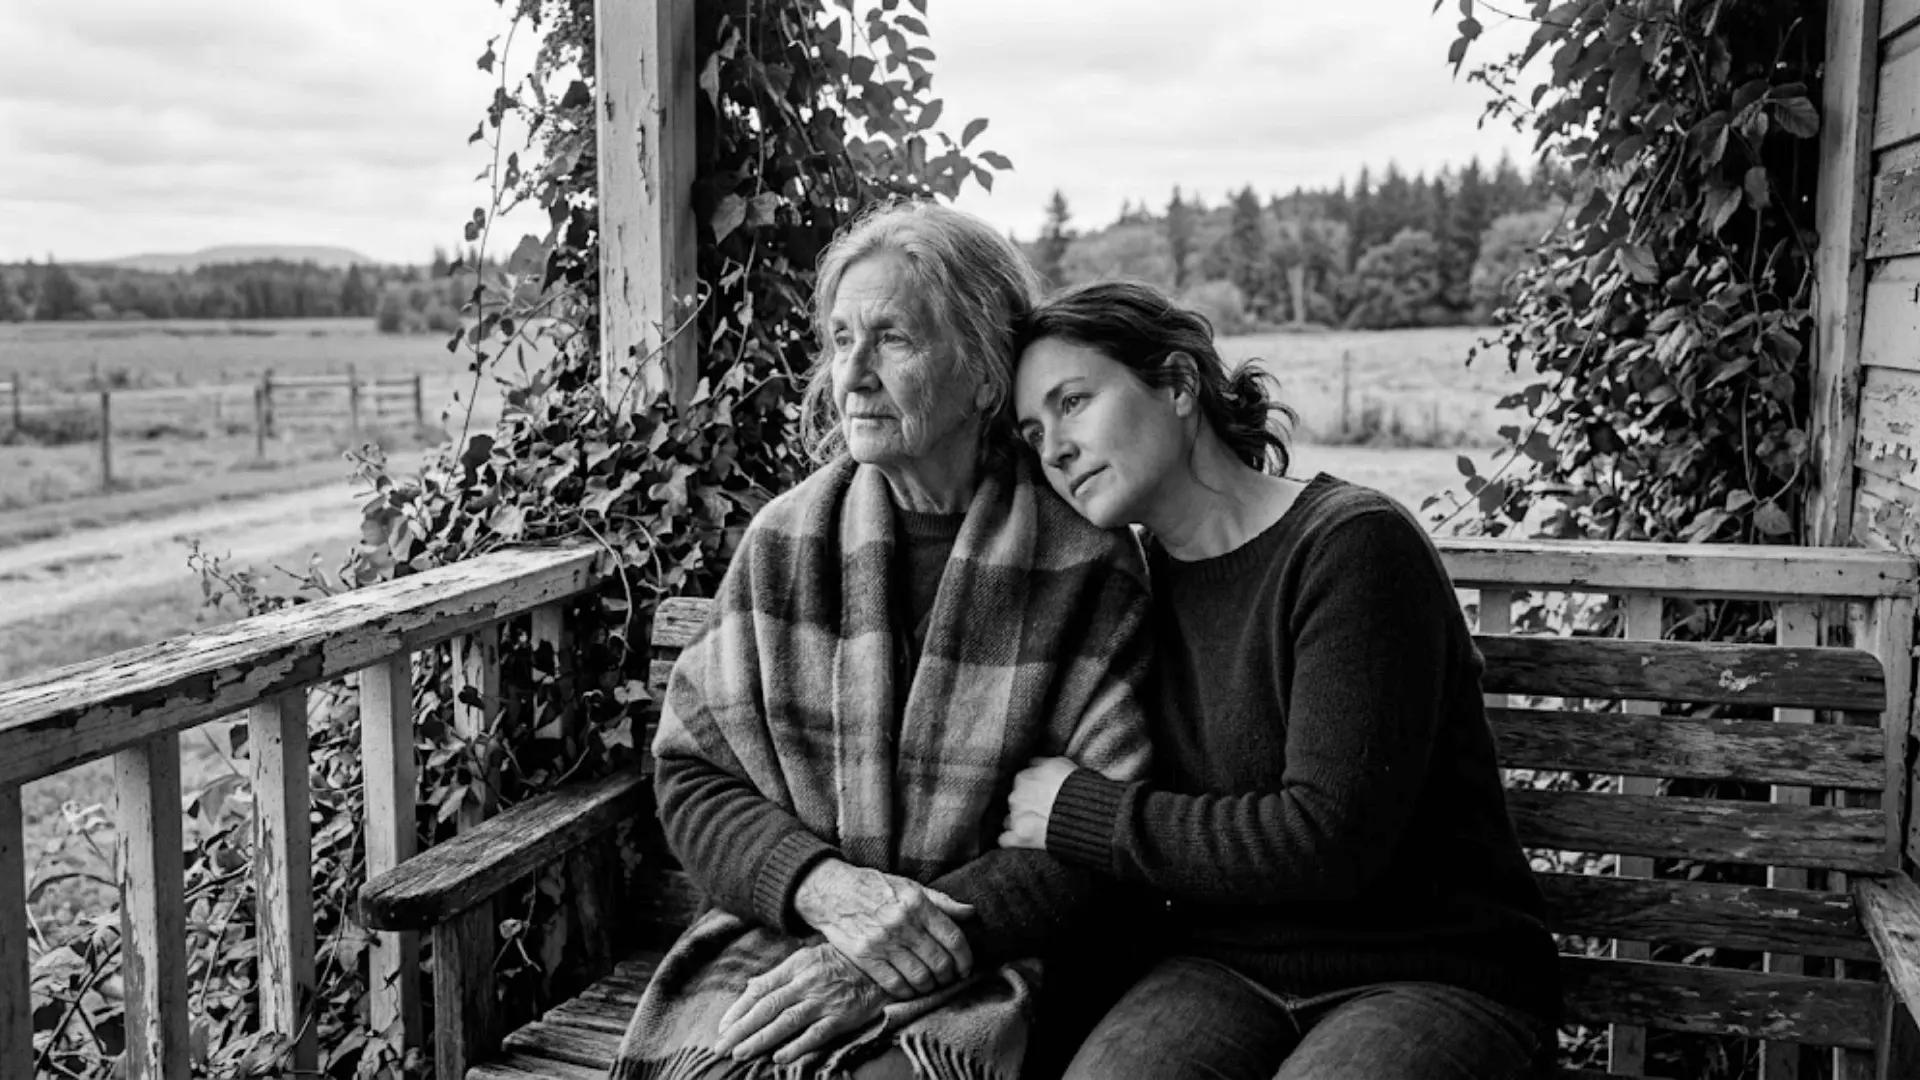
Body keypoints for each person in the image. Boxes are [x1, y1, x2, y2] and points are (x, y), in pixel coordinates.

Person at [608, 203, 1155, 1080]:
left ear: (984, 374)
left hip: (1000, 959)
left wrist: (885, 953)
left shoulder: (1084, 562)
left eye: (892, 339)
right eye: (838, 339)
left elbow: (1094, 839)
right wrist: (828, 893)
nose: (851, 374)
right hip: (796, 927)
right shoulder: (788, 541)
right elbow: (692, 772)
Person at [999, 279, 1560, 1080]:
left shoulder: (1352, 549)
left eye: (1074, 402)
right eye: (1032, 430)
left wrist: (1083, 813)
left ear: (1179, 384)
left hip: (1429, 972)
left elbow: (1325, 840)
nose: (1053, 447)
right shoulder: (1129, 591)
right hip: (1224, 969)